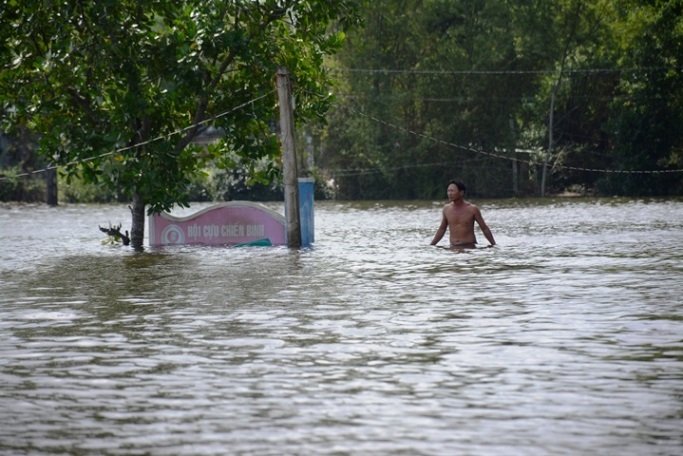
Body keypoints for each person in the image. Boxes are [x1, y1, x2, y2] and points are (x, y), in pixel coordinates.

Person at [430, 180, 496, 249]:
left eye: (452, 191)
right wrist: (432, 245)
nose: (449, 193)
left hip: (470, 247)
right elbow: (442, 229)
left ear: (461, 193)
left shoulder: (472, 209)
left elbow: (484, 228)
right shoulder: (446, 209)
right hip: (453, 247)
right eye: (448, 191)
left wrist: (494, 245)